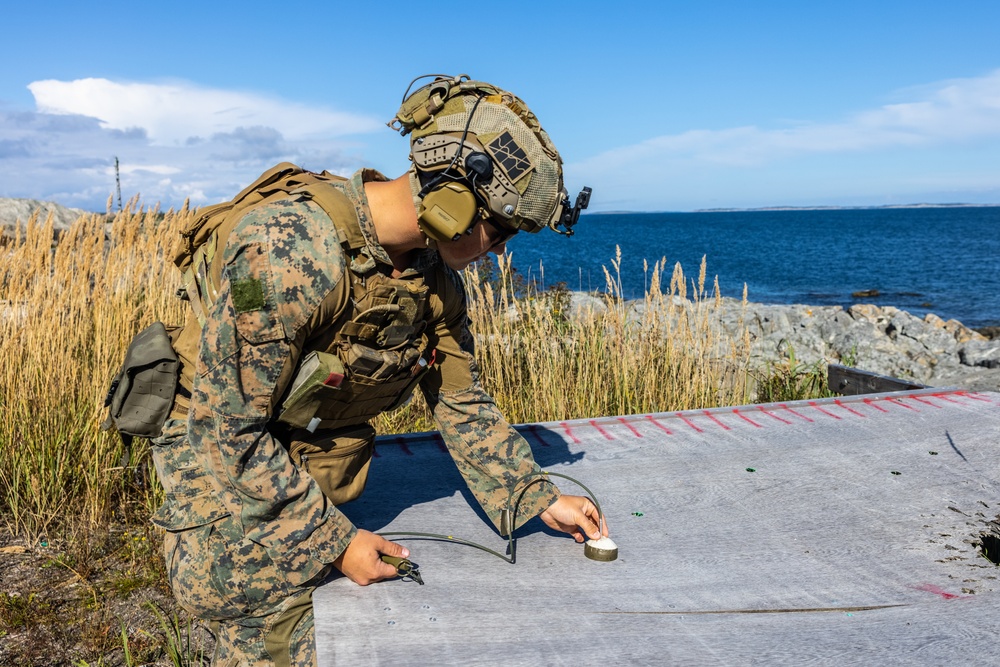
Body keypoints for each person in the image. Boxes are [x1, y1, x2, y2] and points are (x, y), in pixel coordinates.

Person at [149, 74, 606, 666]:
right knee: (286, 627)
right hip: (213, 464)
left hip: (298, 453)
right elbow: (225, 431)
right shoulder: (285, 252)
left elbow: (463, 403)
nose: (499, 253)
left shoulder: (432, 281)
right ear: (455, 203)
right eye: (501, 232)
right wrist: (336, 544)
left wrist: (532, 494)